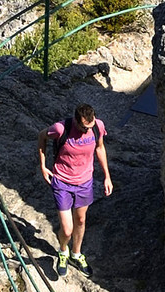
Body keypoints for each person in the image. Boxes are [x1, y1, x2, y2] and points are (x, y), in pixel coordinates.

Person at [38, 102, 111, 274]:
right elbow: (41, 136)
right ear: (76, 121)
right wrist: (43, 166)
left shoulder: (97, 126)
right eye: (84, 127)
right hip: (62, 182)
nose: (87, 130)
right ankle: (63, 250)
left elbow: (100, 148)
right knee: (67, 229)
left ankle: (76, 254)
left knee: (81, 220)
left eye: (90, 127)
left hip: (84, 182)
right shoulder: (60, 129)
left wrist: (107, 176)